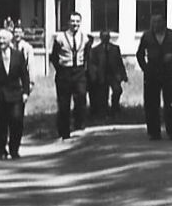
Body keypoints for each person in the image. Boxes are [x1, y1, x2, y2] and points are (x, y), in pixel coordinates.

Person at [0, 22, 33, 160]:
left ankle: (14, 149)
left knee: (17, 121)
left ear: (10, 40)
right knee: (1, 124)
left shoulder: (18, 55)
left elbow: (24, 75)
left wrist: (26, 92)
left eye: (4, 39)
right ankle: (0, 150)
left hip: (16, 94)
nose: (1, 41)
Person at [136, 13, 172, 141]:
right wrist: (145, 68)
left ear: (164, 22)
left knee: (171, 102)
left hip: (168, 72)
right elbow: (139, 54)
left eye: (158, 22)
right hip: (152, 72)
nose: (156, 25)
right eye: (153, 22)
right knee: (151, 103)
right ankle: (154, 132)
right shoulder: (147, 36)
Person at [48, 10, 92, 139]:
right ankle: (64, 131)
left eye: (77, 21)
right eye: (72, 21)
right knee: (64, 103)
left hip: (79, 72)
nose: (75, 24)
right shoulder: (60, 38)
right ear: (68, 22)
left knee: (81, 97)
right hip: (64, 72)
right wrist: (60, 69)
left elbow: (88, 56)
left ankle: (78, 124)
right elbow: (54, 57)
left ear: (80, 22)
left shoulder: (85, 38)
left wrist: (85, 70)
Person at [86, 29, 128, 122]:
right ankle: (104, 112)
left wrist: (123, 74)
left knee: (117, 91)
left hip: (113, 75)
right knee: (103, 95)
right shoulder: (95, 50)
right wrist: (94, 75)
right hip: (101, 75)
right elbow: (93, 64)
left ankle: (115, 108)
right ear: (100, 37)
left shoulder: (115, 48)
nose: (106, 38)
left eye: (107, 36)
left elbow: (120, 62)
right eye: (103, 36)